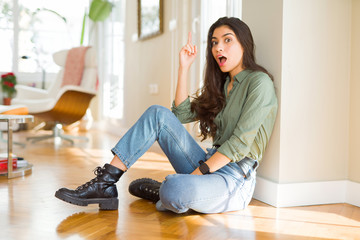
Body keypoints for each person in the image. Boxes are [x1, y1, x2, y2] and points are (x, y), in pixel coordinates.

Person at [55, 17, 278, 214]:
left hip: (234, 179)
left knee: (174, 188)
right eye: (214, 42)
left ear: (244, 43)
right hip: (208, 163)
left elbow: (239, 144)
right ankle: (105, 183)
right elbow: (180, 115)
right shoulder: (223, 85)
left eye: (227, 40)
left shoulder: (259, 83)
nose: (219, 47)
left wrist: (194, 177)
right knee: (157, 114)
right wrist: (184, 67)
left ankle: (171, 190)